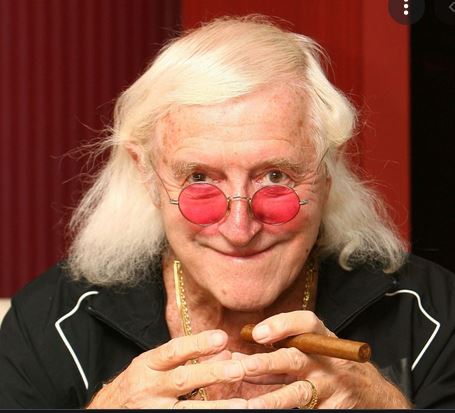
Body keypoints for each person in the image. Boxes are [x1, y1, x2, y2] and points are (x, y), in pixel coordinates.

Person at [0, 15, 454, 409]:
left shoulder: (434, 314)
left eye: (275, 176)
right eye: (199, 178)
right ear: (147, 175)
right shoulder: (51, 323)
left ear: (327, 171)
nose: (240, 229)